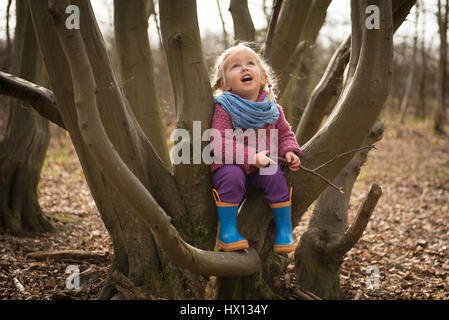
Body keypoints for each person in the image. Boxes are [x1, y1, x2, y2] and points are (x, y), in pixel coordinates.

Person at [209, 43, 302, 253]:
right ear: (224, 84)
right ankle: (228, 232)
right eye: (235, 66)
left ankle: (284, 230)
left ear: (263, 78)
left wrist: (290, 151)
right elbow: (219, 141)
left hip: (261, 170)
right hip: (231, 168)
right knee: (231, 175)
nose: (244, 68)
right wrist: (251, 157)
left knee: (274, 174)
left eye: (250, 63)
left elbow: (285, 133)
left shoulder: (272, 108)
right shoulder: (224, 107)